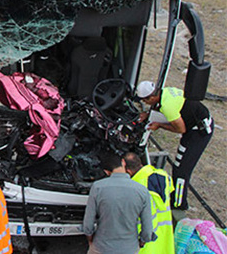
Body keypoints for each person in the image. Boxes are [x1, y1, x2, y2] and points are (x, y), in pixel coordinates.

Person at [136, 81, 214, 211]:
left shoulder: (168, 107)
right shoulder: (165, 92)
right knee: (179, 165)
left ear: (152, 97)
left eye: (145, 101)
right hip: (195, 122)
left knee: (181, 169)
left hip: (198, 132)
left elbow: (180, 129)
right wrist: (148, 115)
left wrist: (159, 125)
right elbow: (160, 109)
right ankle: (176, 198)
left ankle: (178, 204)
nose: (144, 103)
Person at [82, 153, 153, 254]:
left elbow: (88, 225)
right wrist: (141, 243)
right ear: (123, 163)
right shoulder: (142, 191)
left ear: (106, 172)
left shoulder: (97, 187)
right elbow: (147, 230)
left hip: (101, 247)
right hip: (130, 248)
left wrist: (90, 240)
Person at [124, 152, 174, 254]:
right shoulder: (164, 175)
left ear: (128, 171)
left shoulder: (136, 189)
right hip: (164, 237)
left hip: (144, 244)